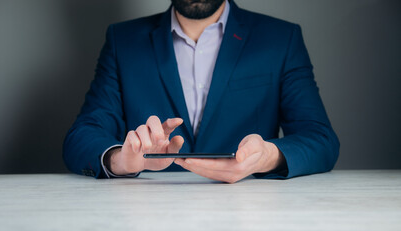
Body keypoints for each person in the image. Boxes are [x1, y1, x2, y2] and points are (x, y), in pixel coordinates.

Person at [63, 0, 339, 183]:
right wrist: (121, 160)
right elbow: (82, 135)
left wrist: (267, 156)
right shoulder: (122, 41)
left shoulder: (281, 39)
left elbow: (320, 139)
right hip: (149, 216)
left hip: (250, 213)